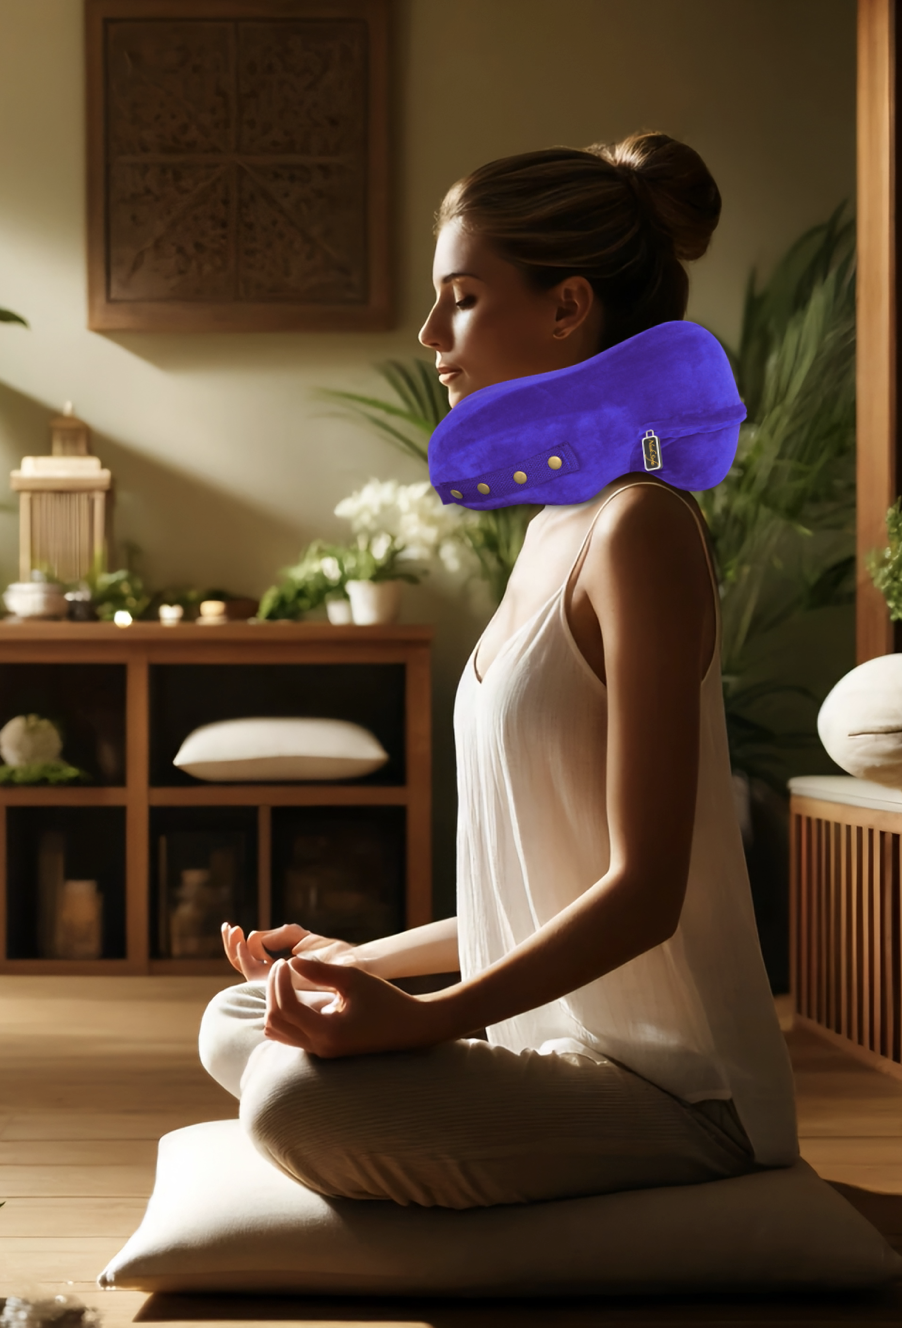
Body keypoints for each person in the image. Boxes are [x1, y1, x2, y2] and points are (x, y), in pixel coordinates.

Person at [198, 132, 798, 1210]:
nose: (431, 336)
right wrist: (366, 962)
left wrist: (428, 1016)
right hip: (545, 1040)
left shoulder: (640, 530)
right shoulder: (553, 530)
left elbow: (643, 894)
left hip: (672, 1083)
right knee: (240, 1020)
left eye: (463, 298)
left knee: (290, 1103)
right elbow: (544, 888)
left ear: (568, 307)